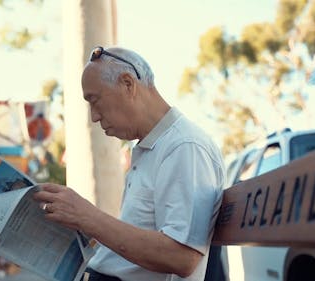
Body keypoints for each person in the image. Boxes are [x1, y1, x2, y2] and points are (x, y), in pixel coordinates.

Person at [33, 46, 225, 281]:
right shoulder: (151, 148)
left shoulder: (184, 146)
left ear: (127, 84)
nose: (94, 116)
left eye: (94, 100)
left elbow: (182, 256)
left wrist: (87, 217)